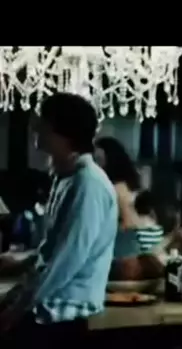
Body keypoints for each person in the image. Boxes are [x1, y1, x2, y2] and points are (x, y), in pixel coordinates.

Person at [0, 93, 117, 346]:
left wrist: (17, 309)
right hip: (49, 311)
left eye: (42, 122)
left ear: (63, 132)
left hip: (62, 317)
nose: (35, 128)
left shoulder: (88, 183)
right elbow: (52, 251)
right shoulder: (66, 176)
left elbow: (66, 259)